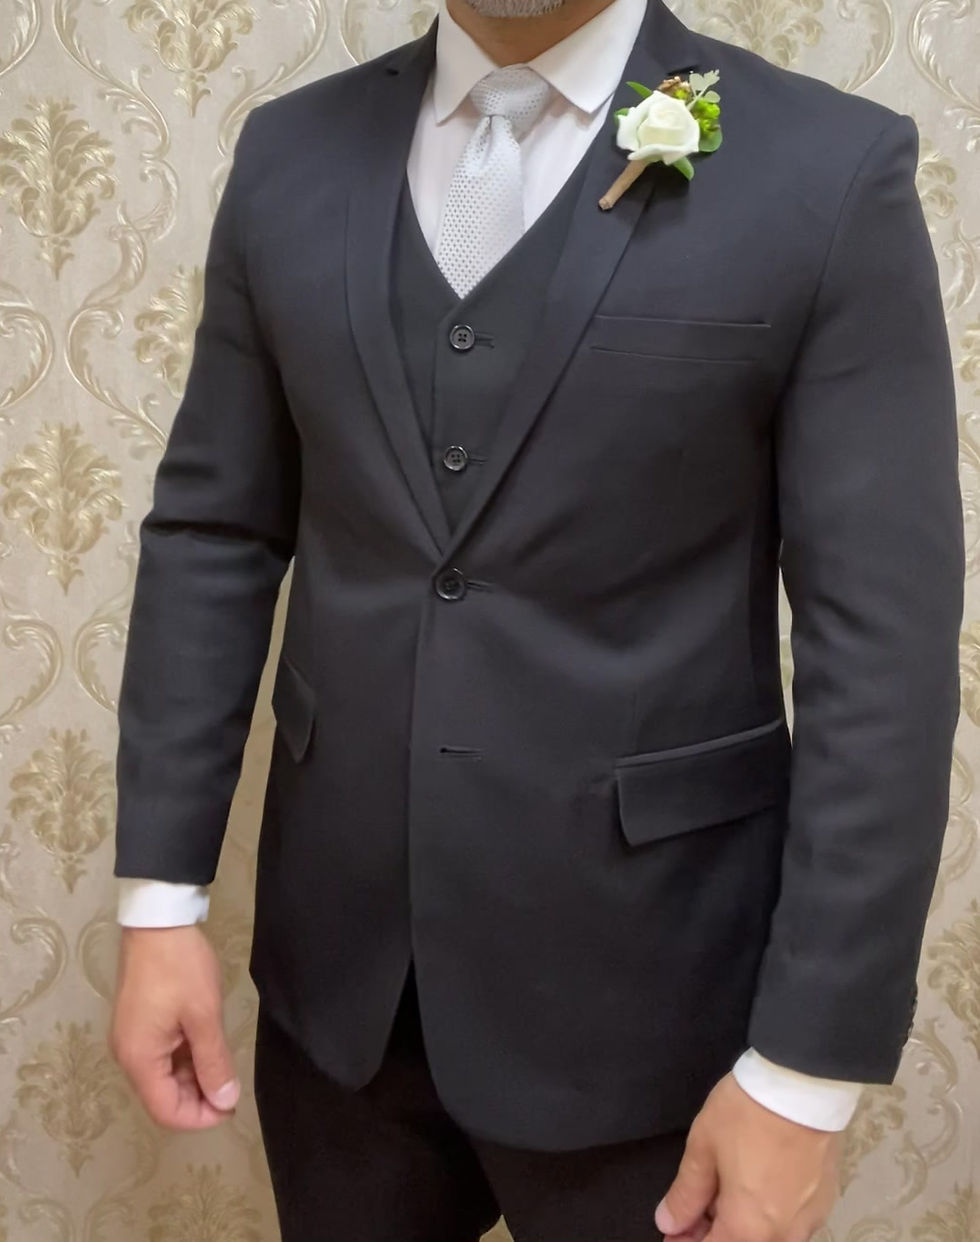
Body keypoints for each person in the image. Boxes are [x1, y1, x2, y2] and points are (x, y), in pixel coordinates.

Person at [107, 0, 964, 1238]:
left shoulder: (826, 170)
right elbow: (215, 532)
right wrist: (160, 901)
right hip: (338, 1008)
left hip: (661, 1017)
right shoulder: (288, 152)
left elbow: (880, 646)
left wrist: (804, 1073)